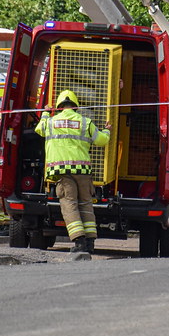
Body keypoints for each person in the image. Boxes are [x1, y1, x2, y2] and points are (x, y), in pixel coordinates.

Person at [36, 89, 110, 259]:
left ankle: (79, 242)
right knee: (85, 203)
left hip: (61, 171)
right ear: (75, 107)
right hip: (83, 171)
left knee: (69, 204)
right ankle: (90, 242)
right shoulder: (85, 122)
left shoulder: (51, 121)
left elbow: (39, 130)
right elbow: (102, 141)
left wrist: (46, 113)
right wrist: (107, 130)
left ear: (59, 106)